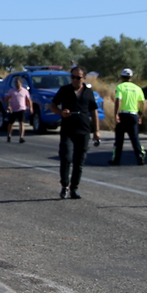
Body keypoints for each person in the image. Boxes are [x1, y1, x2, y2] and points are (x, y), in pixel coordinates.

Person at [50, 65, 101, 199]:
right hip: (68, 130)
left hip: (83, 130)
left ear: (84, 78)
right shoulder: (64, 90)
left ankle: (74, 188)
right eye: (72, 77)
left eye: (78, 78)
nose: (75, 80)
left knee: (79, 162)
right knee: (66, 158)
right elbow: (52, 106)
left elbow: (94, 111)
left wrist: (96, 131)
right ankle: (64, 186)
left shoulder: (89, 92)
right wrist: (61, 112)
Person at [109, 68, 146, 165]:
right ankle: (140, 156)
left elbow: (118, 100)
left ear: (122, 77)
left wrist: (116, 114)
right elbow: (142, 103)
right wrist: (140, 115)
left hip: (123, 114)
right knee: (135, 138)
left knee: (119, 139)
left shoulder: (120, 87)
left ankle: (116, 159)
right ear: (131, 77)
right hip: (134, 115)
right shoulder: (138, 88)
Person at [5, 76, 32, 143]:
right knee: (11, 123)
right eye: (15, 82)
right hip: (13, 109)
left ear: (21, 83)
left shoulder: (25, 91)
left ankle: (21, 137)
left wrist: (31, 108)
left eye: (17, 82)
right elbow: (7, 99)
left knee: (21, 123)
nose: (16, 84)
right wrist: (8, 106)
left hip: (22, 109)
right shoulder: (11, 91)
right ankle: (9, 135)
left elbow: (29, 100)